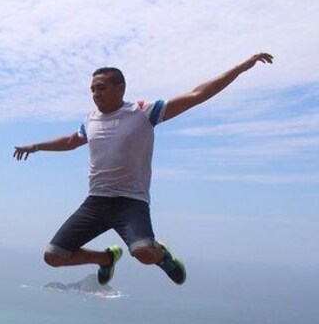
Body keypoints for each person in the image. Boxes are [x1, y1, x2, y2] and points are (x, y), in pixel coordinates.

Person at [14, 53, 274, 286]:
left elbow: (197, 95)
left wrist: (241, 67)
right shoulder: (90, 119)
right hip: (95, 202)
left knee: (144, 255)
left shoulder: (142, 112)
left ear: (120, 88)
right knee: (53, 257)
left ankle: (162, 255)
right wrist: (36, 146)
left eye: (101, 88)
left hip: (130, 203)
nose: (95, 94)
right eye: (92, 89)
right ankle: (105, 259)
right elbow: (72, 141)